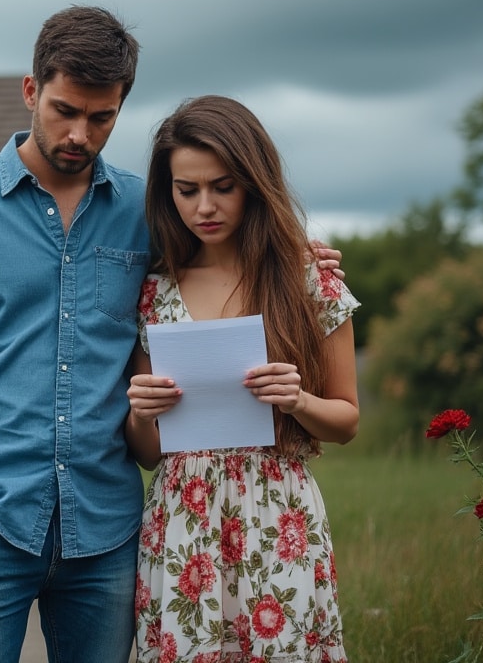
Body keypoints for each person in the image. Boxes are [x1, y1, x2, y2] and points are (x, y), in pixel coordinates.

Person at [0, 7, 342, 662]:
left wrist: (299, 255)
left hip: (107, 529)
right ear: (31, 90)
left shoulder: (145, 210)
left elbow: (225, 248)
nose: (80, 133)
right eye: (65, 109)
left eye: (102, 117)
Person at [124, 95, 359, 662]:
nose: (205, 205)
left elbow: (346, 421)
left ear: (254, 182)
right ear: (168, 192)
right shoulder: (152, 291)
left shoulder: (308, 281)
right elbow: (149, 454)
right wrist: (140, 412)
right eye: (187, 190)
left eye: (223, 186)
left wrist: (298, 399)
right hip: (182, 520)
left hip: (279, 514)